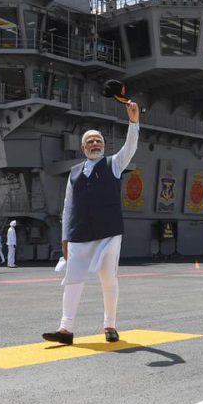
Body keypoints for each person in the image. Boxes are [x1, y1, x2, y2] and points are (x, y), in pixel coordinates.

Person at [42, 101, 139, 346]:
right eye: (90, 141)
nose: (95, 143)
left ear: (104, 146)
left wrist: (134, 122)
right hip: (79, 232)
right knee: (73, 279)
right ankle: (65, 329)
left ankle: (110, 325)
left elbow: (130, 148)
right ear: (83, 147)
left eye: (99, 140)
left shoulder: (114, 164)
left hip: (108, 231)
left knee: (108, 278)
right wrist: (64, 236)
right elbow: (67, 204)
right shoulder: (74, 172)